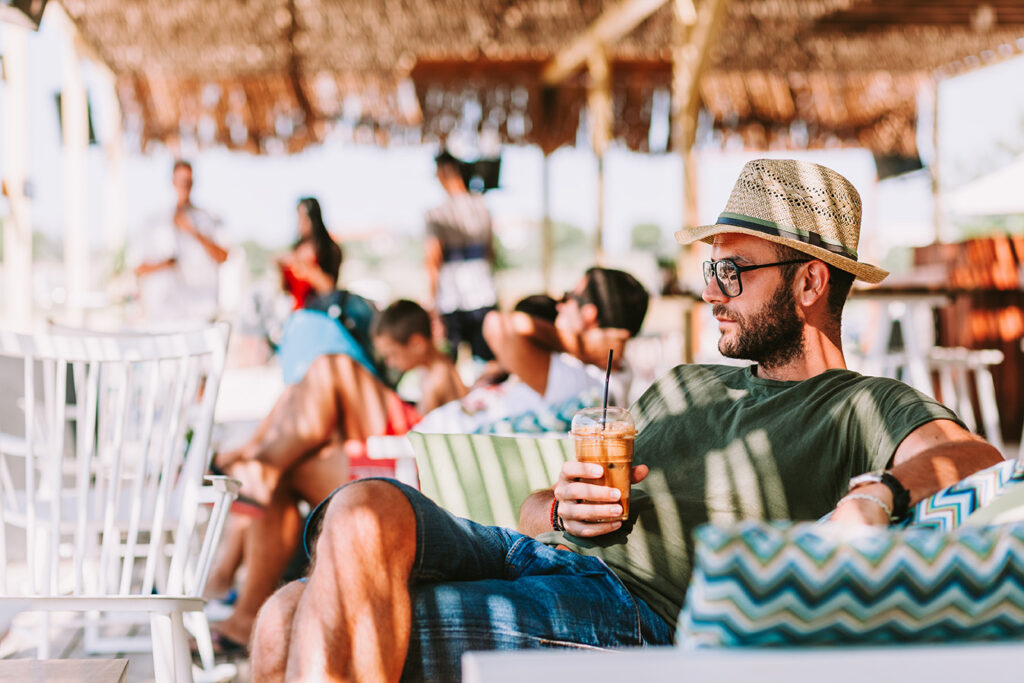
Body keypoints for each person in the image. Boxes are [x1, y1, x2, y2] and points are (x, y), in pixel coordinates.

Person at [248, 158, 1004, 681]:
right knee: (360, 508)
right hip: (544, 556)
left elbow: (971, 457)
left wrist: (871, 497)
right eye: (711, 269)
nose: (712, 291)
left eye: (732, 270)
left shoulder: (862, 403)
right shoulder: (682, 381)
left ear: (809, 281)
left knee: (290, 618)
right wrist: (561, 503)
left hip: (628, 611)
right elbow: (535, 511)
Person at [207, 299, 467, 650]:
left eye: (391, 357)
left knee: (334, 366)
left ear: (418, 343)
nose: (389, 365)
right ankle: (246, 611)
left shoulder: (440, 374)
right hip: (395, 444)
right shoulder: (434, 373)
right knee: (285, 462)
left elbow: (440, 441)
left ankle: (257, 463)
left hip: (407, 458)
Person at [132, 159, 228, 324]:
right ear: (172, 182)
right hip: (163, 315)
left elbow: (223, 256)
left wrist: (194, 232)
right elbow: (138, 267)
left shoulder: (209, 219)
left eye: (188, 182)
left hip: (201, 312)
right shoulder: (154, 221)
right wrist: (167, 264)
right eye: (180, 181)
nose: (184, 186)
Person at [425, 150, 498, 362]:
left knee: (450, 359)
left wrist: (432, 302)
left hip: (451, 296)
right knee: (484, 361)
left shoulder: (437, 214)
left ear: (442, 173)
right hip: (483, 291)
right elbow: (490, 253)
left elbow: (432, 260)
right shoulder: (482, 207)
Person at [278, 197, 343, 310]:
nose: (300, 223)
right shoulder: (296, 249)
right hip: (295, 313)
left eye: (303, 218)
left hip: (319, 313)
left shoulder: (329, 249)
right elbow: (285, 289)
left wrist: (305, 268)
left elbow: (328, 288)